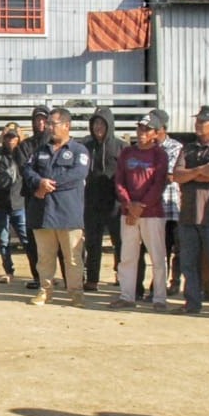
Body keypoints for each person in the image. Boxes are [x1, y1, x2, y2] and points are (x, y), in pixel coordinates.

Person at [23, 107, 89, 307]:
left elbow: (77, 174)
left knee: (73, 258)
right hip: (43, 212)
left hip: (68, 213)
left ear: (67, 125)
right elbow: (27, 170)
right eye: (48, 124)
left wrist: (49, 184)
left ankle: (76, 293)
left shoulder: (79, 150)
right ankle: (45, 290)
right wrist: (39, 182)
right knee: (45, 257)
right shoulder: (41, 150)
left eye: (53, 124)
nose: (49, 127)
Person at [173, 105, 209, 317]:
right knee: (188, 263)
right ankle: (192, 302)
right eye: (197, 120)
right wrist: (199, 170)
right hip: (188, 214)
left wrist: (190, 173)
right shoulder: (188, 148)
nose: (198, 124)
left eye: (203, 121)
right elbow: (177, 175)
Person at [110, 113, 169, 310]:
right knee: (127, 255)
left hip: (152, 213)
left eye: (147, 130)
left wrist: (141, 206)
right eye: (140, 128)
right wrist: (128, 205)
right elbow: (119, 181)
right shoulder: (127, 152)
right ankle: (127, 295)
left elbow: (158, 184)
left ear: (156, 133)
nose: (142, 133)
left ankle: (159, 298)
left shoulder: (159, 154)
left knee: (157, 256)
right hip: (128, 212)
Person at [137, 109, 183, 300]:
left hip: (170, 206)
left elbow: (170, 175)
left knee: (172, 249)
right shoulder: (141, 148)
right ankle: (148, 287)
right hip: (147, 207)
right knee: (152, 249)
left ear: (162, 128)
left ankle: (171, 283)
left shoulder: (175, 147)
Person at [0, 123, 32, 285]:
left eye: (14, 137)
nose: (11, 140)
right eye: (8, 137)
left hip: (19, 202)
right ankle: (8, 271)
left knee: (27, 240)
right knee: (3, 241)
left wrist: (23, 139)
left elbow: (36, 148)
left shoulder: (24, 152)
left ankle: (38, 273)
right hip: (0, 203)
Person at [82, 107, 122, 292]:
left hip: (115, 203)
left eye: (102, 123)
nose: (98, 127)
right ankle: (92, 279)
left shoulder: (121, 147)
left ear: (109, 125)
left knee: (119, 242)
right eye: (95, 123)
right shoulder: (85, 146)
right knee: (92, 242)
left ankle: (121, 275)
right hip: (91, 202)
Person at [15, 106, 51, 289]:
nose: (41, 123)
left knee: (60, 237)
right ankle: (38, 277)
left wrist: (46, 186)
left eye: (44, 119)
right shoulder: (25, 146)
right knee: (33, 239)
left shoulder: (55, 142)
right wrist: (38, 186)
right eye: (37, 119)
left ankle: (69, 279)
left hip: (54, 196)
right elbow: (24, 168)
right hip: (32, 197)